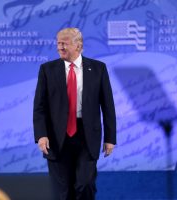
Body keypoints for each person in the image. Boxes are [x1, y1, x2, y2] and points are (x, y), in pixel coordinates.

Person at [33, 27, 116, 200]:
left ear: (78, 45)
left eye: (65, 43)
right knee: (63, 193)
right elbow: (39, 107)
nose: (60, 47)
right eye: (58, 43)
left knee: (85, 184)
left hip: (87, 136)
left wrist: (110, 138)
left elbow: (108, 105)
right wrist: (41, 135)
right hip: (57, 138)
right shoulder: (47, 70)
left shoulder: (98, 69)